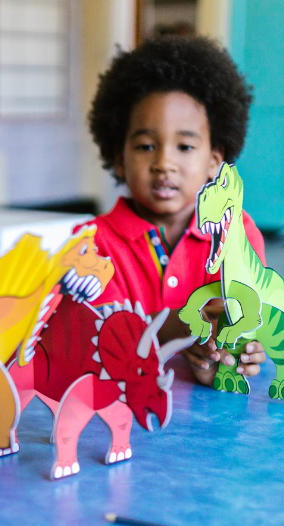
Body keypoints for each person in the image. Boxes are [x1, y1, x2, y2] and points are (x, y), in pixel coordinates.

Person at [86, 35, 268, 386]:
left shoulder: (237, 234)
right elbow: (96, 338)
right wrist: (169, 326)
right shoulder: (92, 246)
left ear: (214, 161)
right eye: (145, 146)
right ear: (119, 159)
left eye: (184, 146)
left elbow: (243, 323)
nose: (164, 163)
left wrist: (229, 354)